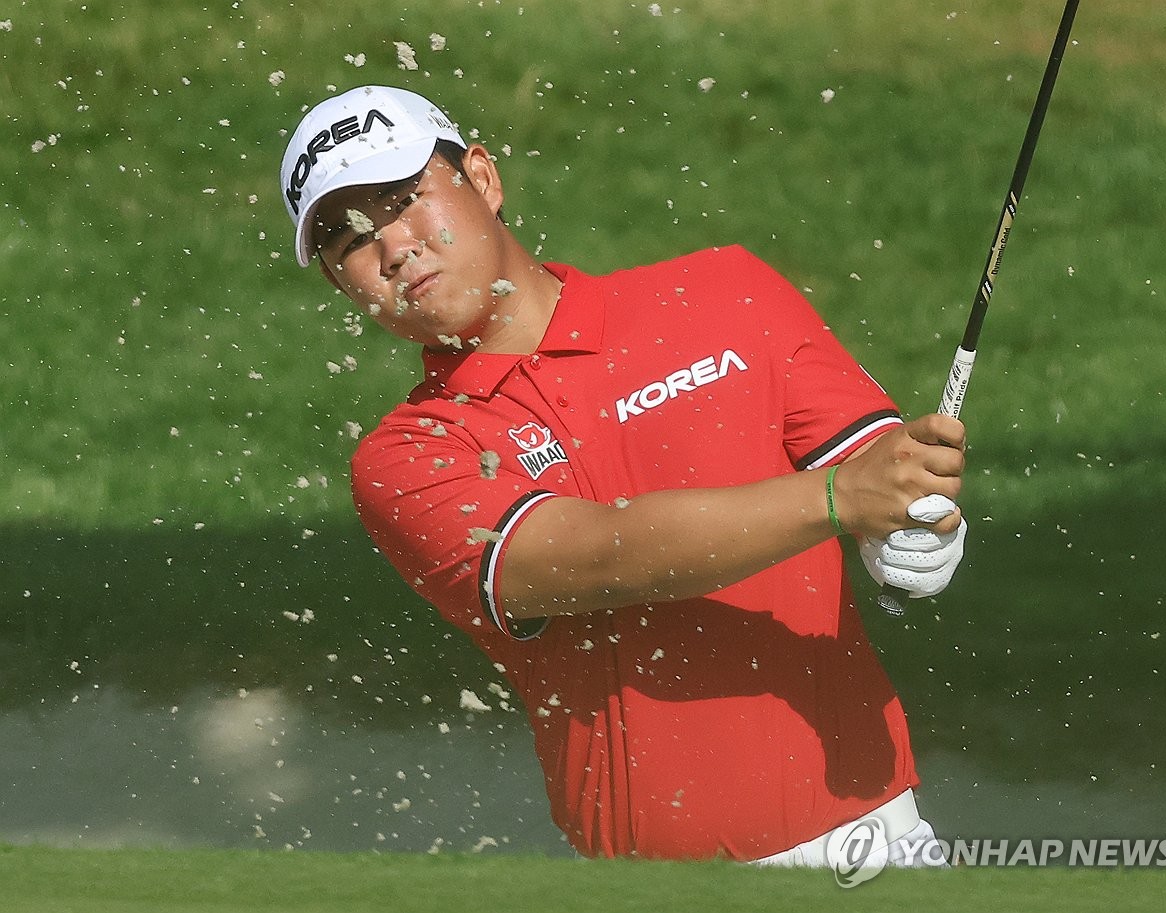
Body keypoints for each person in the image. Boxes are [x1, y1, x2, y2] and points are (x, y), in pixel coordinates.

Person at [279, 85, 966, 866]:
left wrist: (918, 526)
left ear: (483, 177)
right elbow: (604, 555)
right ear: (343, 286)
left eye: (405, 199)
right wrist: (839, 501)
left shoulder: (724, 292)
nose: (393, 247)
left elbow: (883, 469)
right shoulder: (409, 456)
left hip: (870, 854)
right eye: (349, 241)